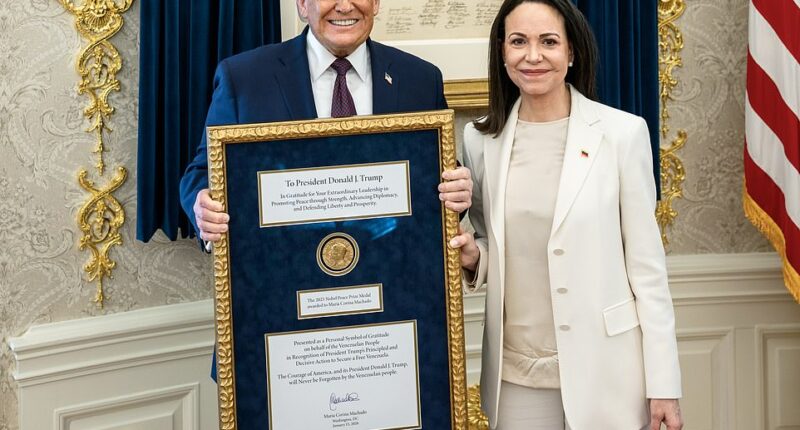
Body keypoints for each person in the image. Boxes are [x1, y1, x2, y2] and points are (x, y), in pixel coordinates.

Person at [448, 0, 683, 428]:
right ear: (502, 52)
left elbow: (648, 269)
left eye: (548, 42)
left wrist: (664, 384)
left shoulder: (622, 134)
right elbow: (489, 242)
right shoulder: (480, 140)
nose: (532, 56)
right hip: (515, 375)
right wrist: (472, 257)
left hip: (608, 371)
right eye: (518, 41)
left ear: (571, 52)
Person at [180, 0, 473, 242]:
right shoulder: (244, 79)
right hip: (282, 281)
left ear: (376, 3)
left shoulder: (420, 79)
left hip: (390, 277)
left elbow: (434, 177)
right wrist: (203, 205)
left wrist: (456, 190)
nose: (345, 6)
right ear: (303, 5)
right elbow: (204, 171)